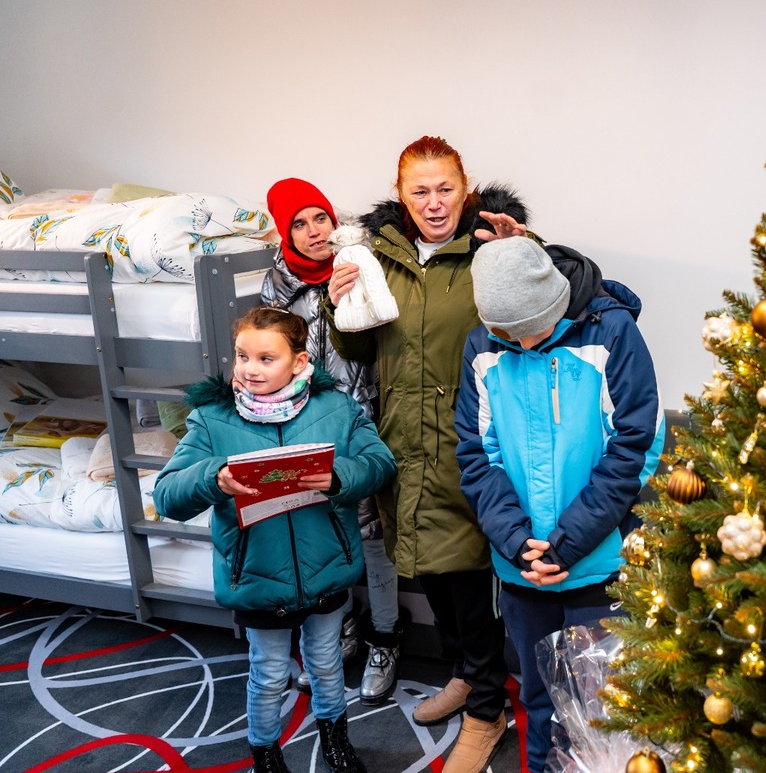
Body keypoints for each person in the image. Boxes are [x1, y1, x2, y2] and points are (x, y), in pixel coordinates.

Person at [325, 136, 529, 773]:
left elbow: (536, 317)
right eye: (421, 191)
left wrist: (523, 251)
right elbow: (363, 352)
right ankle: (468, 677)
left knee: (467, 577)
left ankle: (488, 711)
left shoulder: (489, 248)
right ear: (402, 195)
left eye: (445, 189)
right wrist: (340, 308)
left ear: (465, 192)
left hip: (470, 441)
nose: (434, 203)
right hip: (404, 442)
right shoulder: (378, 256)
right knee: (432, 572)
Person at [154, 307, 397, 773]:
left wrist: (337, 475)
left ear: (300, 362)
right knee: (267, 675)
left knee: (326, 663)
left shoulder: (337, 410)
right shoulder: (211, 419)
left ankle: (335, 738)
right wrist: (213, 478)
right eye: (243, 356)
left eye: (267, 358)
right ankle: (265, 752)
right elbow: (167, 494)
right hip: (257, 574)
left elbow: (380, 463)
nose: (249, 368)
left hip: (326, 566)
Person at [455, 237, 665, 773]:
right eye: (509, 335)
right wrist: (515, 539)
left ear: (556, 303)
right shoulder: (482, 347)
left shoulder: (612, 333)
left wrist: (569, 543)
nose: (523, 342)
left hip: (598, 559)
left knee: (603, 704)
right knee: (539, 697)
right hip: (524, 565)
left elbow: (633, 446)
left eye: (535, 329)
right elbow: (478, 454)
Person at [264, 178, 408, 706]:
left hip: (363, 420)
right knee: (324, 529)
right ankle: (343, 626)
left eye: (319, 218)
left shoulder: (358, 264)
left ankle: (386, 636)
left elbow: (383, 341)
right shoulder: (277, 287)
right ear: (286, 232)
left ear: (333, 218)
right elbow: (273, 356)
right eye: (298, 224)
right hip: (306, 426)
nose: (312, 232)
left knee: (372, 531)